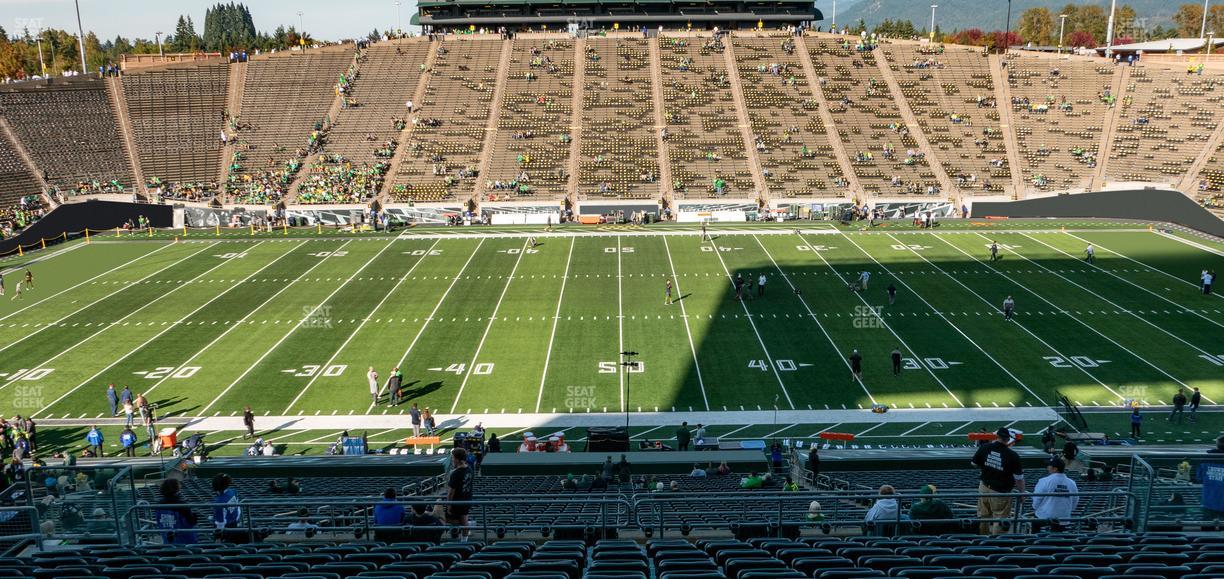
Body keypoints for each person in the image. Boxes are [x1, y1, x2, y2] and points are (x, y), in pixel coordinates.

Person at [971, 427, 1025, 534]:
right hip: (1000, 492)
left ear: (997, 436)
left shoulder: (985, 447)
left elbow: (974, 463)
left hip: (984, 487)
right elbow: (1019, 479)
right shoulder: (1013, 455)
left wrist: (987, 466)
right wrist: (1022, 493)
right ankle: (995, 541)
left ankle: (982, 539)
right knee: (999, 519)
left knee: (983, 516)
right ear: (1008, 439)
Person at [1032, 457, 1079, 532]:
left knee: (1034, 523)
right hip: (1064, 519)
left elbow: (1037, 500)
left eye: (1049, 466)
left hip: (1044, 518)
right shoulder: (1072, 483)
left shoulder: (1044, 481)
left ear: (1055, 469)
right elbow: (1075, 501)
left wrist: (1036, 509)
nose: (1047, 467)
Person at [154, 478, 198, 544]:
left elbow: (159, 522)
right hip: (185, 542)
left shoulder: (158, 505)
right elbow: (189, 523)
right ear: (177, 489)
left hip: (168, 542)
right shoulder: (182, 505)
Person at [446, 447, 474, 540]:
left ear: (457, 459)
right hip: (467, 499)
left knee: (441, 516)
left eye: (453, 458)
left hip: (458, 501)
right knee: (463, 519)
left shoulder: (456, 473)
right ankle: (465, 535)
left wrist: (448, 505)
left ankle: (467, 528)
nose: (452, 460)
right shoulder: (469, 469)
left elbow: (451, 492)